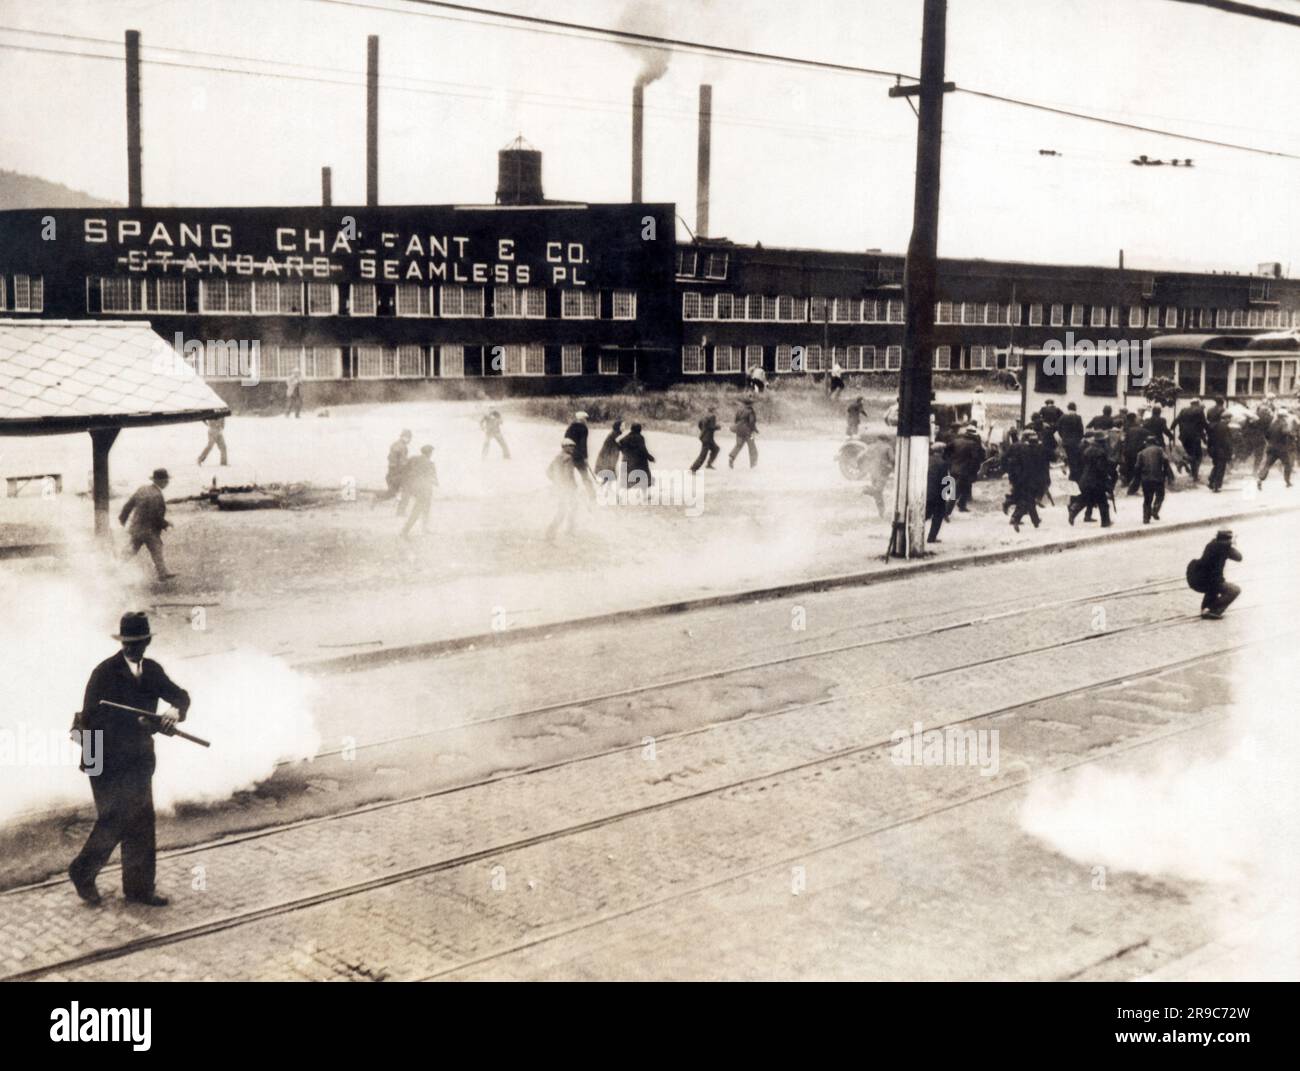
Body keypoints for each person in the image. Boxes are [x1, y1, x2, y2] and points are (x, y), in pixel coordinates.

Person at [68, 612, 189, 907]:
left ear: (146, 642)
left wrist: (174, 712)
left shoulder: (152, 671)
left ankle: (138, 889)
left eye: (137, 643)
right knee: (115, 818)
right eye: (127, 643)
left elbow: (181, 696)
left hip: (138, 760)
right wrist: (134, 726)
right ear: (121, 642)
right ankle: (82, 871)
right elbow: (90, 720)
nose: (132, 649)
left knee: (142, 821)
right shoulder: (104, 673)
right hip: (104, 757)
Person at [119, 468, 176, 581]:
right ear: (161, 481)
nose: (167, 483)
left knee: (131, 550)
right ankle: (162, 574)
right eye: (166, 480)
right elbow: (155, 516)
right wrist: (166, 524)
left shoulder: (142, 489)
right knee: (156, 548)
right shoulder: (157, 495)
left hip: (137, 528)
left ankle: (114, 567)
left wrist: (122, 519)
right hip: (149, 530)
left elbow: (128, 505)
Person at [1187, 529, 1242, 620]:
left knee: (1213, 588)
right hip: (1210, 581)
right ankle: (1212, 610)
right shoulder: (1223, 547)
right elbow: (1239, 557)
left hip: (1199, 579)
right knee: (1235, 590)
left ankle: (1205, 608)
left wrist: (1229, 545)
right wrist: (1231, 544)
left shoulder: (1211, 545)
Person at [1068, 432, 1113, 527]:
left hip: (1085, 479)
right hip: (1096, 481)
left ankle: (1074, 510)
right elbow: (1101, 468)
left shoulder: (1087, 450)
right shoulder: (1101, 452)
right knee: (1103, 502)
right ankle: (1106, 522)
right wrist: (1107, 477)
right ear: (1102, 441)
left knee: (1085, 499)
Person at [1005, 431, 1042, 531]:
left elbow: (1005, 458)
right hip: (1026, 478)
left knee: (1026, 499)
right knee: (1027, 499)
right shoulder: (1028, 449)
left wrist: (1007, 472)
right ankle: (1015, 517)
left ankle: (1036, 520)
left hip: (1015, 477)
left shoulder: (1014, 446)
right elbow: (1030, 466)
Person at [400, 445, 438, 539]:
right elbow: (433, 479)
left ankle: (424, 528)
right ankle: (405, 531)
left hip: (411, 487)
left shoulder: (413, 459)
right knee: (418, 509)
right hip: (423, 489)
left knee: (425, 507)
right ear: (429, 453)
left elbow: (404, 470)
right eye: (431, 453)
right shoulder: (430, 463)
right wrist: (435, 482)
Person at [544, 440, 580, 541]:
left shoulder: (557, 457)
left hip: (560, 488)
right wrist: (572, 486)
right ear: (564, 447)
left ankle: (564, 530)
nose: (573, 448)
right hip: (568, 489)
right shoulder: (568, 459)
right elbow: (569, 475)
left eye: (573, 446)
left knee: (568, 508)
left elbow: (548, 472)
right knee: (568, 509)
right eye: (571, 446)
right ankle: (553, 532)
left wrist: (556, 481)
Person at [1135, 435, 1174, 523]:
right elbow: (1166, 460)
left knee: (1147, 498)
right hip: (1158, 477)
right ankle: (1155, 510)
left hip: (1146, 479)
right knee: (1160, 495)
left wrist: (1139, 478)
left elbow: (1137, 467)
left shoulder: (1141, 453)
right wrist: (1166, 473)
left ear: (1146, 443)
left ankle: (1146, 518)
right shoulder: (1160, 450)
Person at [947, 426, 985, 513]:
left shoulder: (956, 441)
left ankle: (962, 505)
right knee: (957, 490)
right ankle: (946, 511)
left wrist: (950, 464)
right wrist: (975, 469)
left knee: (965, 487)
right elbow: (977, 458)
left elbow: (947, 453)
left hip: (953, 469)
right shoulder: (973, 444)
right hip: (965, 471)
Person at [1256, 407, 1294, 489]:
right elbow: (1285, 432)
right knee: (1287, 464)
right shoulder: (1284, 423)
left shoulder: (1273, 424)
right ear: (1284, 416)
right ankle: (1287, 481)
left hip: (1271, 447)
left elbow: (1267, 435)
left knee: (1267, 465)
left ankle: (1260, 479)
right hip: (1281, 448)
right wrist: (1291, 435)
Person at [859, 434, 896, 518]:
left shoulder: (870, 447)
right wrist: (892, 468)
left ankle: (881, 512)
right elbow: (893, 459)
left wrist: (864, 467)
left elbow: (860, 456)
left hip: (873, 471)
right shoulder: (888, 447)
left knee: (878, 494)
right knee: (878, 491)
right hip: (883, 472)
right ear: (885, 440)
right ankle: (866, 489)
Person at [375, 430, 412, 509]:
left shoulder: (397, 445)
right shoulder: (401, 446)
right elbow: (400, 461)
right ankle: (400, 512)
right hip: (397, 473)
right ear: (404, 437)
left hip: (393, 473)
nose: (409, 440)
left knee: (391, 493)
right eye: (409, 437)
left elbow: (392, 459)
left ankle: (376, 497)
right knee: (406, 491)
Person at [1174, 400, 1209, 483]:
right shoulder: (1199, 411)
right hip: (1194, 437)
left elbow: (1176, 420)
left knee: (1192, 455)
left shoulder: (1183, 410)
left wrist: (1172, 429)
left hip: (1183, 437)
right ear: (1198, 404)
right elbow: (1203, 425)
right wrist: (1209, 434)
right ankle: (1183, 462)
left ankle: (1194, 476)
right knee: (1198, 456)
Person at [564, 411, 596, 496]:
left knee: (569, 476)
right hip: (579, 456)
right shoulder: (583, 428)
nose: (586, 421)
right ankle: (592, 494)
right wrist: (585, 457)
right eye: (586, 419)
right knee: (585, 476)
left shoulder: (570, 427)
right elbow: (583, 443)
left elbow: (565, 439)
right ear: (582, 419)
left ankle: (569, 494)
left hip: (568, 455)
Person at [924, 442, 949, 544]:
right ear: (942, 451)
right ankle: (931, 537)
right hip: (937, 494)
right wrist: (947, 496)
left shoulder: (926, 460)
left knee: (924, 514)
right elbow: (945, 481)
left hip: (925, 492)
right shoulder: (943, 463)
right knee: (938, 516)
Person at [618, 423, 655, 489]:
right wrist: (650, 458)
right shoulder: (640, 438)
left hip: (628, 462)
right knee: (643, 480)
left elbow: (620, 445)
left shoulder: (626, 437)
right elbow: (643, 450)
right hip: (639, 463)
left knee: (628, 482)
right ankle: (645, 496)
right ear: (639, 430)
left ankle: (621, 496)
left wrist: (626, 453)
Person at [1057, 402, 1085, 481]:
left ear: (1068, 408)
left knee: (1068, 457)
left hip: (1066, 441)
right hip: (1076, 442)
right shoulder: (1078, 417)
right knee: (1074, 458)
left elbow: (1058, 428)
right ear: (1075, 408)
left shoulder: (1063, 417)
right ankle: (1073, 475)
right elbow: (1081, 430)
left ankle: (1070, 472)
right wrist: (1079, 438)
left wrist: (1063, 436)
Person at [1207, 410, 1233, 493]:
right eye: (1229, 418)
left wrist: (1209, 448)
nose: (1230, 420)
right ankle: (1216, 485)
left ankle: (1211, 481)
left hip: (1213, 449)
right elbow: (1227, 441)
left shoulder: (1214, 426)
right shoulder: (1225, 427)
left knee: (1216, 465)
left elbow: (1210, 439)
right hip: (1222, 450)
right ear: (1226, 418)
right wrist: (1230, 452)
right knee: (1221, 468)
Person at [729, 398, 759, 469]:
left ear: (744, 404)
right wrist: (755, 430)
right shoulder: (751, 411)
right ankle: (753, 465)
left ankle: (732, 458)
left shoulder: (739, 410)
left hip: (739, 431)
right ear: (751, 404)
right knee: (752, 447)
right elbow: (751, 422)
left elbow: (736, 420)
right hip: (748, 432)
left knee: (738, 445)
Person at [1122, 411, 1146, 493]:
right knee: (1137, 468)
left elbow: (1125, 440)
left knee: (1129, 467)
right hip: (1137, 452)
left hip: (1128, 451)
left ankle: (1128, 482)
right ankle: (1134, 485)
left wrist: (1124, 450)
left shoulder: (1128, 429)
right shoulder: (1143, 430)